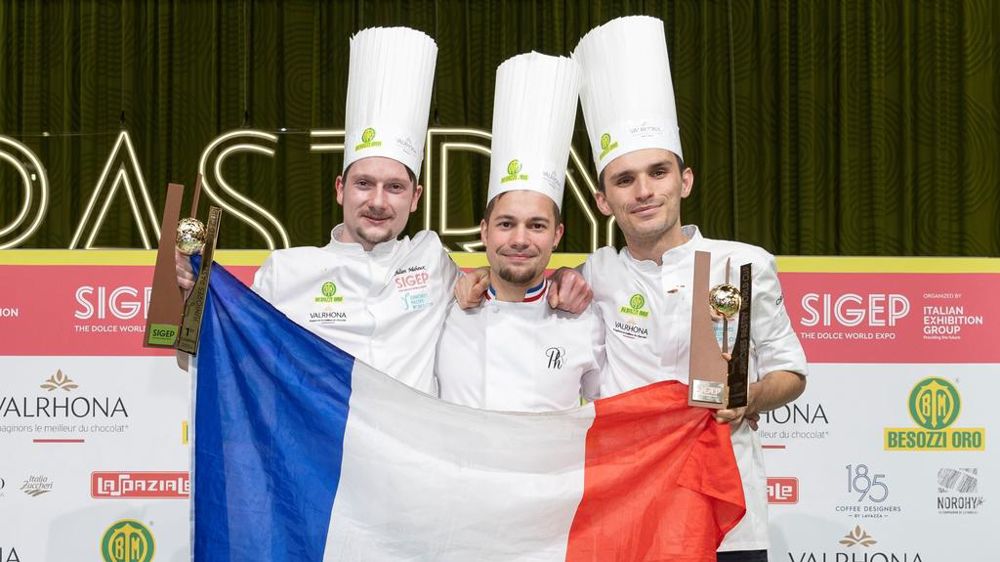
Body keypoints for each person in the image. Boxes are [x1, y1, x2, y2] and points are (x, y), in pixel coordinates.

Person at [177, 27, 591, 394]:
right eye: (363, 184)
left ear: (415, 197)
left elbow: (505, 284)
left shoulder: (431, 261)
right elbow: (216, 362)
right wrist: (188, 304)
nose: (378, 201)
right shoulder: (285, 273)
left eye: (394, 187)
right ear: (340, 189)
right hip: (328, 470)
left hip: (413, 476)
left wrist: (565, 278)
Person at [573, 16, 808, 562]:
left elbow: (790, 373)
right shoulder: (591, 276)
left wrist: (745, 396)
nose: (645, 191)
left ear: (686, 180)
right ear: (603, 200)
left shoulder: (743, 266)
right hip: (628, 508)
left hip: (725, 504)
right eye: (624, 180)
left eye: (658, 172)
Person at [436, 53, 603, 412]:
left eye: (537, 226)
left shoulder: (586, 321)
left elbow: (614, 417)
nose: (520, 240)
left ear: (557, 235)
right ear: (484, 231)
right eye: (506, 223)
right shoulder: (444, 310)